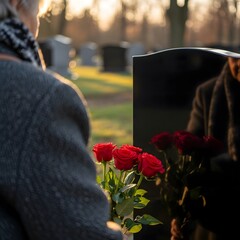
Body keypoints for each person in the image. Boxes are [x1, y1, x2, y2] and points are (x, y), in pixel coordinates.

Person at [0, 0, 123, 239]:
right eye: (38, 15)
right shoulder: (37, 97)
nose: (36, 30)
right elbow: (81, 233)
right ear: (16, 4)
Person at [170, 56, 240, 240]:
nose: (239, 64)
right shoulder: (208, 93)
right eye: (235, 58)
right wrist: (181, 211)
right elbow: (189, 157)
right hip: (218, 211)